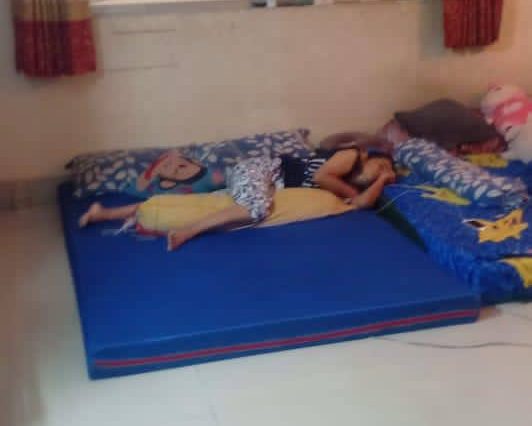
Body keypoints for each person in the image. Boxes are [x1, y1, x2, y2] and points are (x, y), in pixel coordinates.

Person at [80, 147, 396, 251]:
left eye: (384, 174)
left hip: (264, 182)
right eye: (380, 166)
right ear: (368, 156)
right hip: (262, 169)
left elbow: (361, 204)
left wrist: (382, 180)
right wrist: (357, 192)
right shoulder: (351, 156)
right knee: (255, 208)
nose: (379, 174)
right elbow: (322, 176)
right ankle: (189, 232)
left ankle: (103, 213)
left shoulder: (353, 185)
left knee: (195, 204)